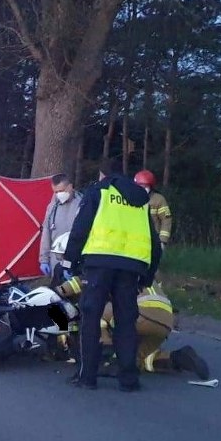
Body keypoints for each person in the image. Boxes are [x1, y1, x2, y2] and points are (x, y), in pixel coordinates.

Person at [64, 157, 161, 391]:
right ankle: (128, 380)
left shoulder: (99, 191)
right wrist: (148, 276)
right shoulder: (140, 199)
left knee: (90, 317)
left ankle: (87, 377)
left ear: (102, 174)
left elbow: (80, 228)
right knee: (126, 321)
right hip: (131, 268)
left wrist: (70, 261)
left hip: (99, 264)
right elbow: (154, 242)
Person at [54, 276, 210, 379]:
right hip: (165, 320)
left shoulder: (110, 266)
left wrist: (59, 291)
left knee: (95, 313)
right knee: (137, 361)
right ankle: (179, 358)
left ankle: (105, 358)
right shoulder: (140, 271)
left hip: (141, 313)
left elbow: (84, 280)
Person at [39, 174, 82, 278]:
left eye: (61, 191)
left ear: (70, 187)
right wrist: (44, 260)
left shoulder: (81, 204)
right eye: (56, 192)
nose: (59, 194)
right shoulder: (52, 207)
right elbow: (46, 233)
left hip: (75, 258)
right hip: (56, 259)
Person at [133, 169, 172, 249]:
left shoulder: (158, 199)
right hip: (135, 239)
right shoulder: (131, 198)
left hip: (153, 239)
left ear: (150, 186)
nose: (143, 189)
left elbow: (166, 220)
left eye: (145, 186)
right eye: (140, 186)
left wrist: (163, 241)